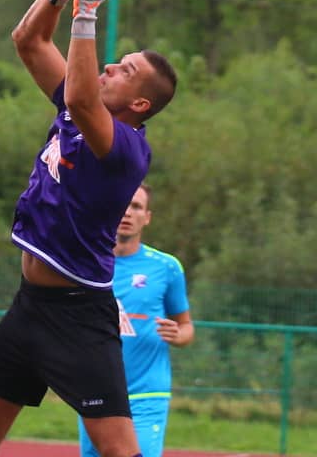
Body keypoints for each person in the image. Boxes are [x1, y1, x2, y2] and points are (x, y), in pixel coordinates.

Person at [0, 0, 177, 457]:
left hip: (80, 317)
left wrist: (86, 12)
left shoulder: (126, 148)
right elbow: (27, 40)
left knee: (119, 450)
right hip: (29, 306)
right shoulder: (78, 107)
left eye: (125, 70)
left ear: (140, 104)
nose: (111, 66)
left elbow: (79, 97)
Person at [78, 184, 194, 457]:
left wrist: (179, 335)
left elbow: (186, 326)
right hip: (95, 392)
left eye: (137, 206)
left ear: (147, 217)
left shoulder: (166, 267)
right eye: (123, 203)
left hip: (146, 395)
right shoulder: (85, 264)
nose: (128, 212)